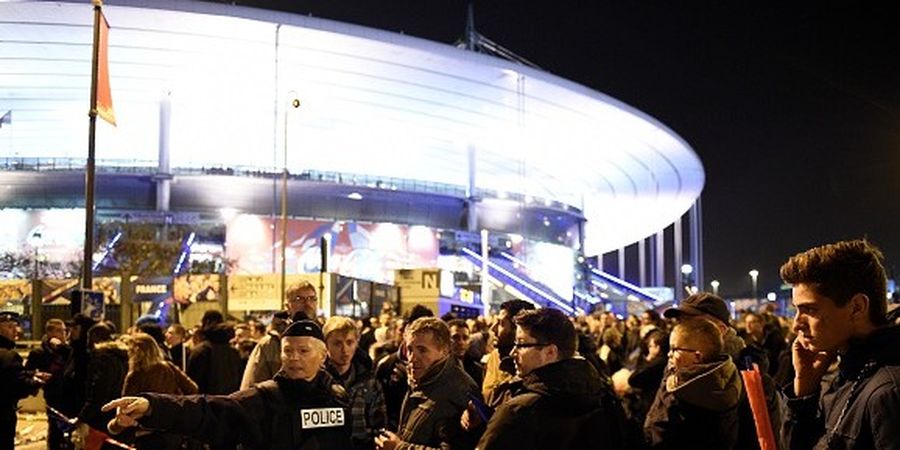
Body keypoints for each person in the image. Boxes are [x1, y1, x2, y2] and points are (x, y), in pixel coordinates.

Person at [103, 318, 352, 450]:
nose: (294, 357)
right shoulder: (263, 399)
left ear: (323, 355)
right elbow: (205, 410)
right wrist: (152, 406)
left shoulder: (338, 398)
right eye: (288, 351)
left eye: (303, 351)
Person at [779, 239, 900, 450]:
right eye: (796, 310)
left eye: (810, 310)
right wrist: (804, 393)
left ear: (857, 308)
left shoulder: (888, 393)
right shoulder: (842, 376)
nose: (796, 325)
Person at [476, 308, 627, 450]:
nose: (513, 352)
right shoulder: (603, 396)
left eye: (521, 344)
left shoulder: (520, 410)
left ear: (550, 352)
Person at [374, 317, 479, 450]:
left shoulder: (457, 390)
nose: (412, 358)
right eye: (410, 350)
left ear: (444, 350)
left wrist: (399, 447)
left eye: (422, 350)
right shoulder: (422, 379)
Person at [643, 318, 742, 450]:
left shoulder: (683, 391)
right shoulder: (728, 380)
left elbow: (659, 434)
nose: (669, 354)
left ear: (697, 356)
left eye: (674, 349)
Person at [122, 333, 198, 450]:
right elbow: (192, 388)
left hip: (147, 431)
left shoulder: (135, 375)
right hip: (172, 426)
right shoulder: (168, 367)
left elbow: (126, 404)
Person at [323, 316, 387, 450]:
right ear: (326, 345)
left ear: (357, 343)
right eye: (337, 343)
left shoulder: (369, 381)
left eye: (349, 342)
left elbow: (379, 423)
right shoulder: (318, 379)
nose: (344, 349)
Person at [241, 282, 319, 389]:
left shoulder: (325, 338)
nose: (307, 304)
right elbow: (250, 389)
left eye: (312, 298)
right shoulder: (270, 344)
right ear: (287, 306)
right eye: (299, 299)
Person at [0, 312, 47, 450]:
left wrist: (29, 373)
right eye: (9, 327)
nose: (16, 331)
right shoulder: (10, 356)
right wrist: (35, 382)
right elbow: (18, 385)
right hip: (3, 416)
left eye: (16, 326)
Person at [25, 318, 73, 450]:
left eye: (64, 331)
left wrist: (63, 348)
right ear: (50, 333)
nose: (64, 334)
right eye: (61, 331)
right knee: (56, 428)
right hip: (53, 395)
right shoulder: (38, 353)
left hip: (72, 395)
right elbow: (28, 372)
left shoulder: (69, 350)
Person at [481, 299, 535, 401]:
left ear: (517, 329)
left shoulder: (531, 362)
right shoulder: (494, 357)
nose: (493, 329)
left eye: (501, 323)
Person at [187, 310, 242, 394]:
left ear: (206, 322)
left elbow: (192, 384)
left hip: (206, 403)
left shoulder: (201, 351)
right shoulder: (234, 352)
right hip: (230, 402)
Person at [448, 319, 484, 388]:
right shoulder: (438, 369)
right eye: (455, 337)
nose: (461, 342)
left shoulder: (477, 370)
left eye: (465, 338)